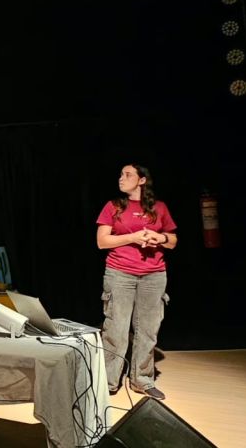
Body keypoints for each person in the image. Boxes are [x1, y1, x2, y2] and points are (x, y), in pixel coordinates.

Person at [96, 164, 177, 400]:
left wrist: (159, 237)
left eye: (128, 175)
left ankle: (142, 379)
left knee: (148, 330)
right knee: (116, 329)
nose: (121, 178)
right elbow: (102, 241)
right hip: (120, 273)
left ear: (141, 180)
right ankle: (109, 381)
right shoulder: (113, 206)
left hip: (154, 274)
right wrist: (132, 237)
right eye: (121, 174)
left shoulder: (159, 208)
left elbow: (172, 241)